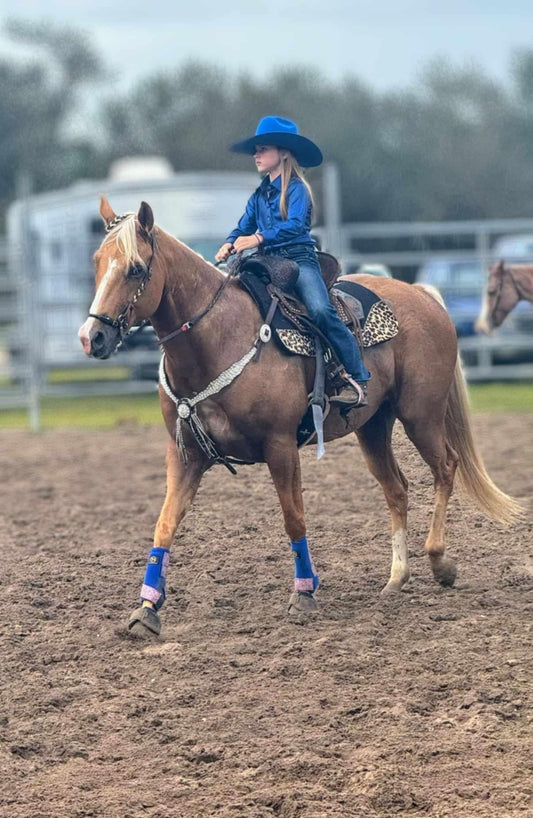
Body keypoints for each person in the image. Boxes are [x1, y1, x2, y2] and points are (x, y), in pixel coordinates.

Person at [215, 115, 371, 407]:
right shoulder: (259, 195)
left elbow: (297, 226)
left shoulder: (298, 189)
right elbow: (243, 225)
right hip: (266, 263)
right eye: (256, 150)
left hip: (299, 261)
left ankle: (357, 377)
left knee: (321, 311)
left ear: (283, 153)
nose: (256, 155)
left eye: (263, 149)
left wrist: (259, 239)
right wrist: (229, 242)